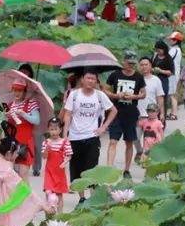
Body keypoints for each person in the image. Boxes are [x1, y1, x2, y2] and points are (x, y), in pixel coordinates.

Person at [62, 70, 116, 202]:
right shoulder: (74, 95)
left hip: (92, 136)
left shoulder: (100, 95)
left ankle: (93, 197)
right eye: (88, 78)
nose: (90, 81)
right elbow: (67, 114)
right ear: (82, 80)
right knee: (76, 168)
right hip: (75, 137)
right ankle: (81, 198)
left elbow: (114, 110)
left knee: (92, 168)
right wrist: (65, 135)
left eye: (93, 79)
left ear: (96, 81)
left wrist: (104, 127)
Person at [104, 52, 145, 179]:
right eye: (129, 63)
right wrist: (115, 95)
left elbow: (143, 94)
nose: (131, 66)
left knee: (129, 142)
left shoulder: (138, 77)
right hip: (116, 112)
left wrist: (134, 96)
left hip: (131, 113)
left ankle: (126, 169)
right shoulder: (115, 75)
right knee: (112, 141)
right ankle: (109, 168)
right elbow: (105, 89)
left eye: (133, 64)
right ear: (124, 62)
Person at [4, 79, 40, 180]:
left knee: (23, 175)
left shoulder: (31, 103)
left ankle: (27, 196)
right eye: (15, 90)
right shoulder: (9, 105)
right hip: (11, 144)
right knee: (10, 177)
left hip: (25, 144)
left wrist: (23, 114)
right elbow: (3, 124)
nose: (16, 93)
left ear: (25, 91)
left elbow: (36, 120)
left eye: (19, 90)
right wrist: (5, 117)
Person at [17, 64, 43, 176]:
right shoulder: (17, 86)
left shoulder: (36, 87)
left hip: (34, 117)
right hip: (21, 123)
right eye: (22, 72)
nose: (24, 74)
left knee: (37, 146)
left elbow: (42, 102)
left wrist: (36, 93)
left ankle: (36, 167)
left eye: (26, 72)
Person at [41, 117, 71, 212]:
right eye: (51, 129)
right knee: (48, 192)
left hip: (59, 172)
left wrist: (64, 162)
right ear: (48, 130)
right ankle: (50, 208)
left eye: (56, 129)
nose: (53, 132)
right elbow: (44, 157)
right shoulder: (46, 142)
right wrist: (47, 149)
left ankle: (60, 214)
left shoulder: (64, 142)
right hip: (49, 171)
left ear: (60, 130)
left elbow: (69, 155)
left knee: (59, 195)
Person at [166, 32, 185, 121]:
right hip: (175, 74)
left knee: (173, 94)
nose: (170, 40)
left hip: (172, 75)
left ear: (176, 41)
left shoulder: (174, 50)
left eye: (172, 39)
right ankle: (173, 112)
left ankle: (174, 114)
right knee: (173, 94)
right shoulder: (177, 50)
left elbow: (167, 59)